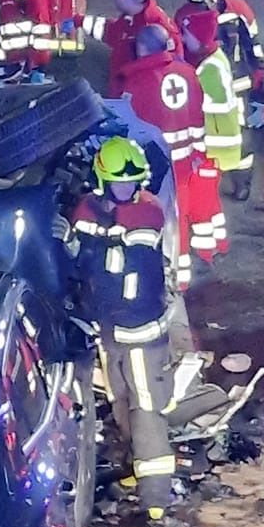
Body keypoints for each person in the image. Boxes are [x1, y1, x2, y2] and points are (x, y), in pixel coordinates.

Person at [69, 136, 186, 501]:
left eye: (133, 182)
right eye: (121, 182)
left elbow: (119, 262)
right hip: (108, 330)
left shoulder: (146, 212)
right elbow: (79, 261)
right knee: (121, 402)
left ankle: (156, 497)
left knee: (146, 408)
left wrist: (92, 240)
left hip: (140, 331)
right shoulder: (86, 210)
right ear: (103, 180)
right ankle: (138, 467)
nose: (128, 189)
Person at [120, 25, 216, 289]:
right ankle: (182, 277)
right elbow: (198, 118)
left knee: (161, 219)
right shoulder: (188, 73)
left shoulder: (136, 82)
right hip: (185, 160)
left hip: (156, 165)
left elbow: (130, 128)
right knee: (181, 216)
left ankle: (169, 278)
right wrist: (198, 151)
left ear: (141, 49)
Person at [177, 6, 236, 253]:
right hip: (218, 149)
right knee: (210, 201)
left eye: (185, 34)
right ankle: (219, 243)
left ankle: (204, 252)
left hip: (211, 150)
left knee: (199, 206)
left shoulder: (208, 69)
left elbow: (207, 109)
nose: (181, 38)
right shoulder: (214, 60)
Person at [77, 0, 181, 96]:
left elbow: (172, 63)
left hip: (132, 92)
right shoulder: (133, 15)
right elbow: (113, 32)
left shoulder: (156, 27)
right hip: (121, 82)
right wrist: (79, 21)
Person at [186, 0, 264, 107]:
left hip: (240, 88)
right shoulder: (186, 15)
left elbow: (253, 44)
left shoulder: (238, 7)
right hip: (206, 91)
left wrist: (258, 76)